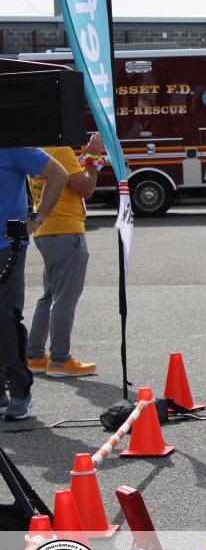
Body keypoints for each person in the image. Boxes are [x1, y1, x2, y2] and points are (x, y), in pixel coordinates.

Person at [25, 134, 103, 379]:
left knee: (49, 295)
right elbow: (86, 188)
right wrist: (92, 158)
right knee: (64, 298)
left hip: (46, 230)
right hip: (66, 230)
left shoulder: (37, 148)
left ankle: (34, 355)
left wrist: (83, 159)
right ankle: (60, 360)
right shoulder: (61, 150)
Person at [0, 148, 68, 420]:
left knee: (5, 316)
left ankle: (20, 391)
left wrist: (36, 220)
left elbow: (58, 173)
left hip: (6, 245)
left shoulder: (12, 144)